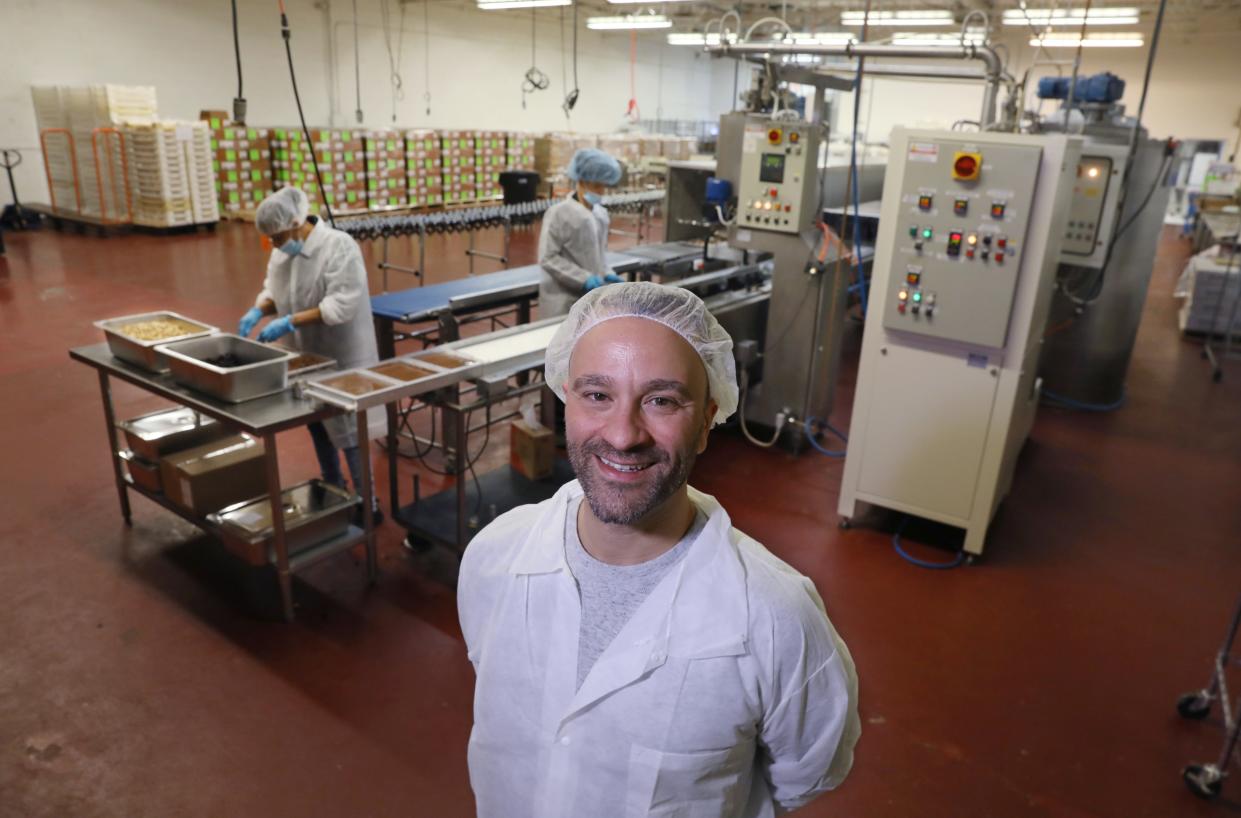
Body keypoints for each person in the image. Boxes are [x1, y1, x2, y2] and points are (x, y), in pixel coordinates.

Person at [458, 282, 860, 818]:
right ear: (565, 400)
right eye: (597, 395)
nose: (623, 435)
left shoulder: (776, 619)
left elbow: (807, 771)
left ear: (705, 423)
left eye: (662, 400)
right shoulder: (495, 559)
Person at [240, 187, 382, 522]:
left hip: (342, 353)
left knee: (349, 432)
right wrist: (258, 310)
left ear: (295, 221)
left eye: (278, 236)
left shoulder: (338, 247)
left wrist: (289, 320)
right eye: (270, 239)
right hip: (304, 355)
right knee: (316, 424)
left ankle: (367, 502)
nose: (274, 245)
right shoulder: (281, 253)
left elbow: (340, 304)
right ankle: (334, 491)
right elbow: (275, 291)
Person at [537, 147, 626, 318]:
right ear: (581, 181)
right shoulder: (559, 213)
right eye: (596, 185)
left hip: (592, 300)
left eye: (603, 186)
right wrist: (584, 278)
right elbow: (548, 258)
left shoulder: (601, 214)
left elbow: (599, 255)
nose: (600, 191)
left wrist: (607, 273)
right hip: (562, 300)